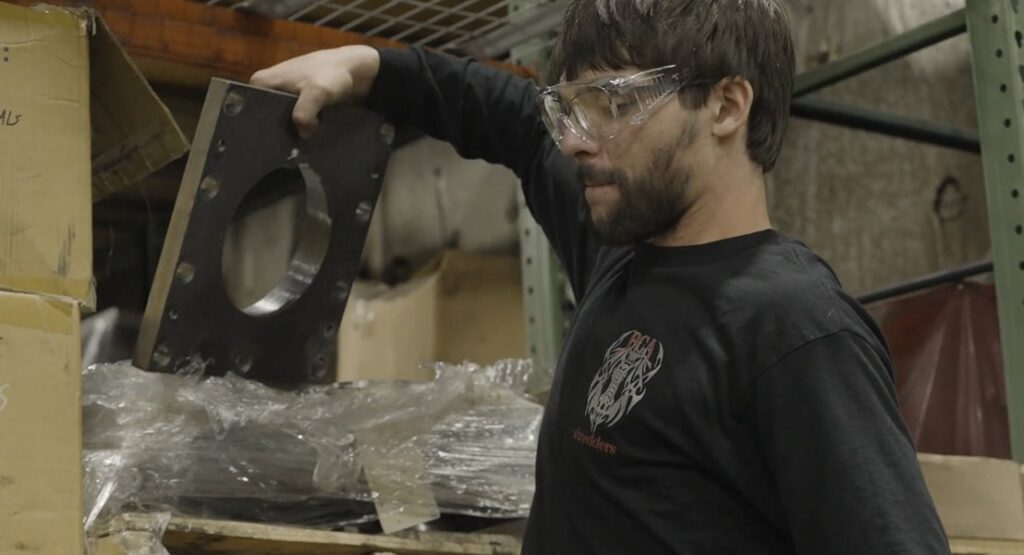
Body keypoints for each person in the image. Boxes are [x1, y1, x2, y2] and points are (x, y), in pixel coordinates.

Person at [251, 0, 950, 552]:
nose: (577, 138)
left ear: (727, 106)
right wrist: (366, 66)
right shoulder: (619, 255)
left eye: (614, 104)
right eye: (574, 107)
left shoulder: (794, 330)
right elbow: (513, 122)